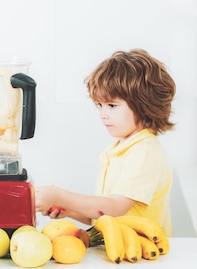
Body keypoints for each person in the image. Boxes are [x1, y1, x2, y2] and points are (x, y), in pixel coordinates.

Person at [35, 49, 176, 236]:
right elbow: (105, 214)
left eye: (112, 105)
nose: (103, 114)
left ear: (144, 104)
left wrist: (59, 195)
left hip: (142, 254)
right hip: (121, 250)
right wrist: (69, 209)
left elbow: (116, 207)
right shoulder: (121, 149)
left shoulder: (144, 153)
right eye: (99, 105)